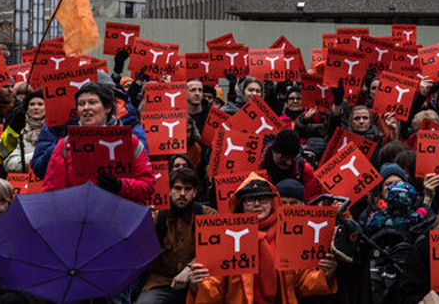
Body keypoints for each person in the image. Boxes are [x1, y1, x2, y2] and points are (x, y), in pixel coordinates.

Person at [187, 173, 337, 303]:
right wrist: (197, 286)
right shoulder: (225, 237)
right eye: (250, 200)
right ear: (241, 205)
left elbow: (302, 281)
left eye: (263, 199)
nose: (257, 204)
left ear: (272, 203)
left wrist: (325, 275)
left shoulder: (289, 234)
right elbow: (214, 287)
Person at [42, 82, 154, 204]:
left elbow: (147, 186)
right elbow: (52, 193)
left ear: (108, 108)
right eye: (81, 104)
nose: (86, 108)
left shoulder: (130, 142)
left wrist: (120, 186)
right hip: (78, 219)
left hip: (119, 218)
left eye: (92, 102)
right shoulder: (65, 146)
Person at [137, 167, 216, 304]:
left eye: (188, 189)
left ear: (195, 192)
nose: (182, 194)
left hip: (198, 280)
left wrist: (189, 268)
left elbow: (215, 251)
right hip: (161, 282)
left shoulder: (208, 215)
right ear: (169, 191)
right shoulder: (156, 217)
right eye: (178, 188)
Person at [258, 128, 321, 202]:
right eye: (284, 158)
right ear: (273, 151)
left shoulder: (303, 169)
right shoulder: (254, 164)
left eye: (292, 158)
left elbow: (312, 199)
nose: (289, 162)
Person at [3, 91, 45, 174]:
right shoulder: (20, 130)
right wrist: (36, 157)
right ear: (27, 109)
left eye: (40, 104)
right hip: (24, 182)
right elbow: (9, 164)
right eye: (32, 104)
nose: (36, 107)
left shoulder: (54, 130)